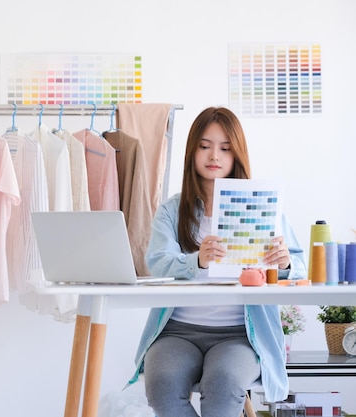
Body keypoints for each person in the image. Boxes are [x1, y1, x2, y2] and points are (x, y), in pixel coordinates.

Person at [130, 107, 306, 417]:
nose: (215, 155)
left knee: (224, 385)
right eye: (205, 145)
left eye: (225, 148)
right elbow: (156, 262)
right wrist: (196, 260)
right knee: (162, 386)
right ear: (192, 151)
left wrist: (285, 263)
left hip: (239, 334)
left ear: (237, 154)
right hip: (177, 331)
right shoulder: (173, 209)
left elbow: (301, 268)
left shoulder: (262, 206)